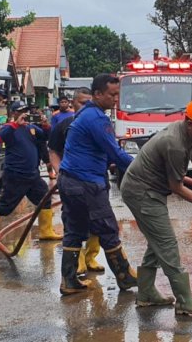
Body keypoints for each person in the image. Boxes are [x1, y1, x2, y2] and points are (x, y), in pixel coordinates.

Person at [120, 100, 192, 316]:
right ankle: (185, 300)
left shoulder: (191, 135)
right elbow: (176, 186)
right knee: (166, 243)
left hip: (152, 191)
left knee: (158, 240)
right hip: (141, 192)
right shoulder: (175, 143)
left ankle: (147, 292)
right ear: (189, 123)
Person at [57, 73, 136, 296]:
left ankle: (69, 281)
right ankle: (125, 276)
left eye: (118, 94)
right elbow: (115, 153)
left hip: (69, 180)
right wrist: (143, 168)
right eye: (112, 95)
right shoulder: (97, 118)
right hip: (87, 183)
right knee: (107, 227)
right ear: (98, 94)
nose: (115, 99)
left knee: (74, 230)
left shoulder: (85, 113)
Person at [0, 100, 63, 245]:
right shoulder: (9, 127)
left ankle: (45, 231)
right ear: (14, 113)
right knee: (6, 205)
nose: (25, 114)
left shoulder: (31, 127)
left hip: (32, 175)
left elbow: (46, 136)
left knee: (45, 200)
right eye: (21, 111)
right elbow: (0, 137)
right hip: (16, 175)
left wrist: (46, 125)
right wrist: (16, 123)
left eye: (26, 111)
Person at [47, 87, 103, 275]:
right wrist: (59, 171)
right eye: (81, 102)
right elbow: (53, 151)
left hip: (96, 181)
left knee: (98, 219)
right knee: (73, 221)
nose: (86, 107)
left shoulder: (100, 124)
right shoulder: (64, 126)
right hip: (72, 181)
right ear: (73, 104)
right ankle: (77, 260)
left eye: (90, 103)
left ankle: (91, 257)